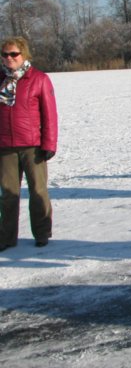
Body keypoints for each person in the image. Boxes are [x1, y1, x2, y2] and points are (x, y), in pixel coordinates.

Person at [0, 37, 58, 251]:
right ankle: (6, 237)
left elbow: (49, 114)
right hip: (5, 146)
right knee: (8, 194)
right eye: (5, 54)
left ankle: (42, 233)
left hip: (32, 145)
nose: (9, 58)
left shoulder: (39, 79)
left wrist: (49, 143)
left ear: (23, 54)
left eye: (13, 54)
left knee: (38, 191)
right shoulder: (1, 79)